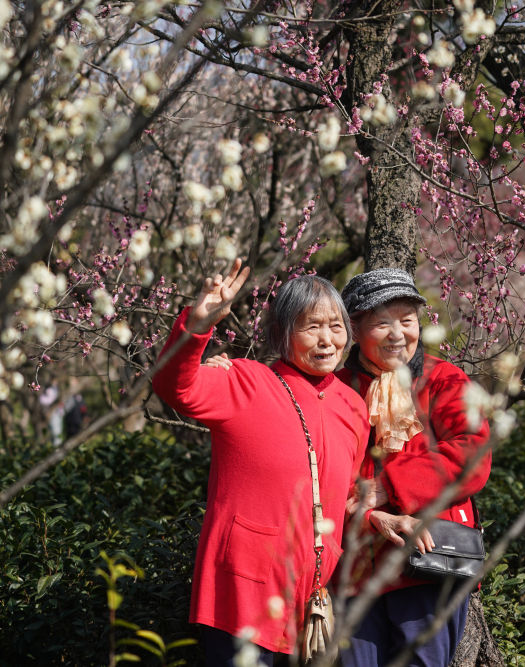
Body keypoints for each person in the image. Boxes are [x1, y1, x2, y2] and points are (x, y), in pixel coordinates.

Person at [152, 259, 370, 665]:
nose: (327, 340)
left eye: (336, 327)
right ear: (282, 335)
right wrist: (198, 326)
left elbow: (348, 495)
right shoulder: (245, 380)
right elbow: (174, 386)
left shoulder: (354, 407)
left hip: (311, 600)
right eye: (311, 327)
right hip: (242, 596)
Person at [336, 267, 492, 667]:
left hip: (425, 562)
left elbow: (473, 451)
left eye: (407, 321)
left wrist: (391, 486)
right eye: (381, 323)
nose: (397, 334)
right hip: (354, 565)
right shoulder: (336, 387)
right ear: (354, 327)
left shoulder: (444, 379)